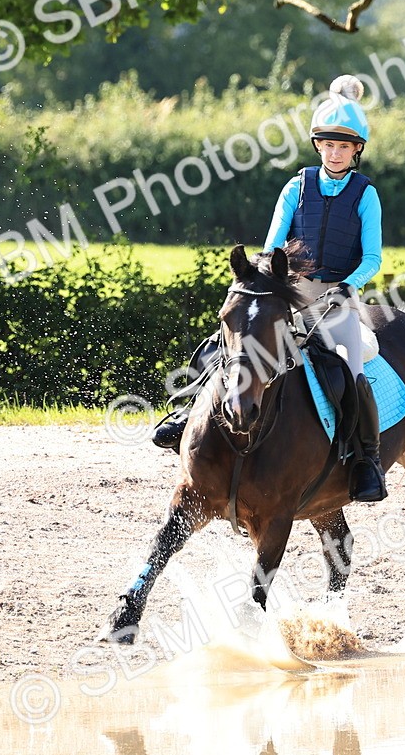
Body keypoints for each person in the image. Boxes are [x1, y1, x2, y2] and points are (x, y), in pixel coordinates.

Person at [152, 75, 387, 503]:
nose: (335, 153)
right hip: (288, 293)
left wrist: (347, 287)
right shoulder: (296, 187)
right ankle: (187, 413)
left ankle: (365, 460)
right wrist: (268, 280)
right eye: (328, 145)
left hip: (336, 299)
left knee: (351, 371)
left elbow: (373, 257)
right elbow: (272, 244)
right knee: (224, 345)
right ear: (318, 146)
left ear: (357, 150)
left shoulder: (365, 195)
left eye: (344, 146)